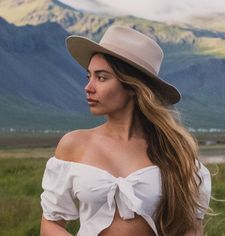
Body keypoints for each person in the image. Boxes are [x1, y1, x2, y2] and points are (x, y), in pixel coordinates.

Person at [40, 25, 211, 236]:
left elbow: (190, 230)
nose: (89, 87)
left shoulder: (175, 151)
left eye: (101, 77)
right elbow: (50, 224)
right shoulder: (74, 145)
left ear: (132, 86)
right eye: (89, 76)